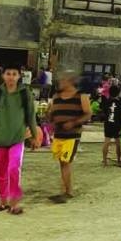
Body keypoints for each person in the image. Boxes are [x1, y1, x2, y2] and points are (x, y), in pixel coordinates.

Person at [0, 65, 41, 215]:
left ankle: (14, 203)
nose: (11, 77)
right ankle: (3, 202)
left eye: (14, 74)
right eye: (8, 74)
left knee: (14, 168)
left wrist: (35, 136)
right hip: (1, 139)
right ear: (3, 76)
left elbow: (31, 117)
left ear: (19, 76)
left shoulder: (25, 94)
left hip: (17, 138)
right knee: (0, 171)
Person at [47, 72, 91, 202]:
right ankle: (65, 189)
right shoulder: (56, 96)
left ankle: (68, 191)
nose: (60, 82)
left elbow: (88, 114)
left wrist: (73, 123)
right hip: (58, 134)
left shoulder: (81, 96)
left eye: (62, 79)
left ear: (70, 81)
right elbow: (52, 114)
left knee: (66, 162)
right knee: (62, 162)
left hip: (72, 135)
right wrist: (50, 116)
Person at [101, 85, 121, 167]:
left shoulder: (106, 102)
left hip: (108, 124)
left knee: (106, 142)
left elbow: (103, 113)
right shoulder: (120, 102)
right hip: (117, 124)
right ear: (118, 93)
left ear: (109, 92)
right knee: (118, 143)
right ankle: (118, 160)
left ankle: (104, 161)